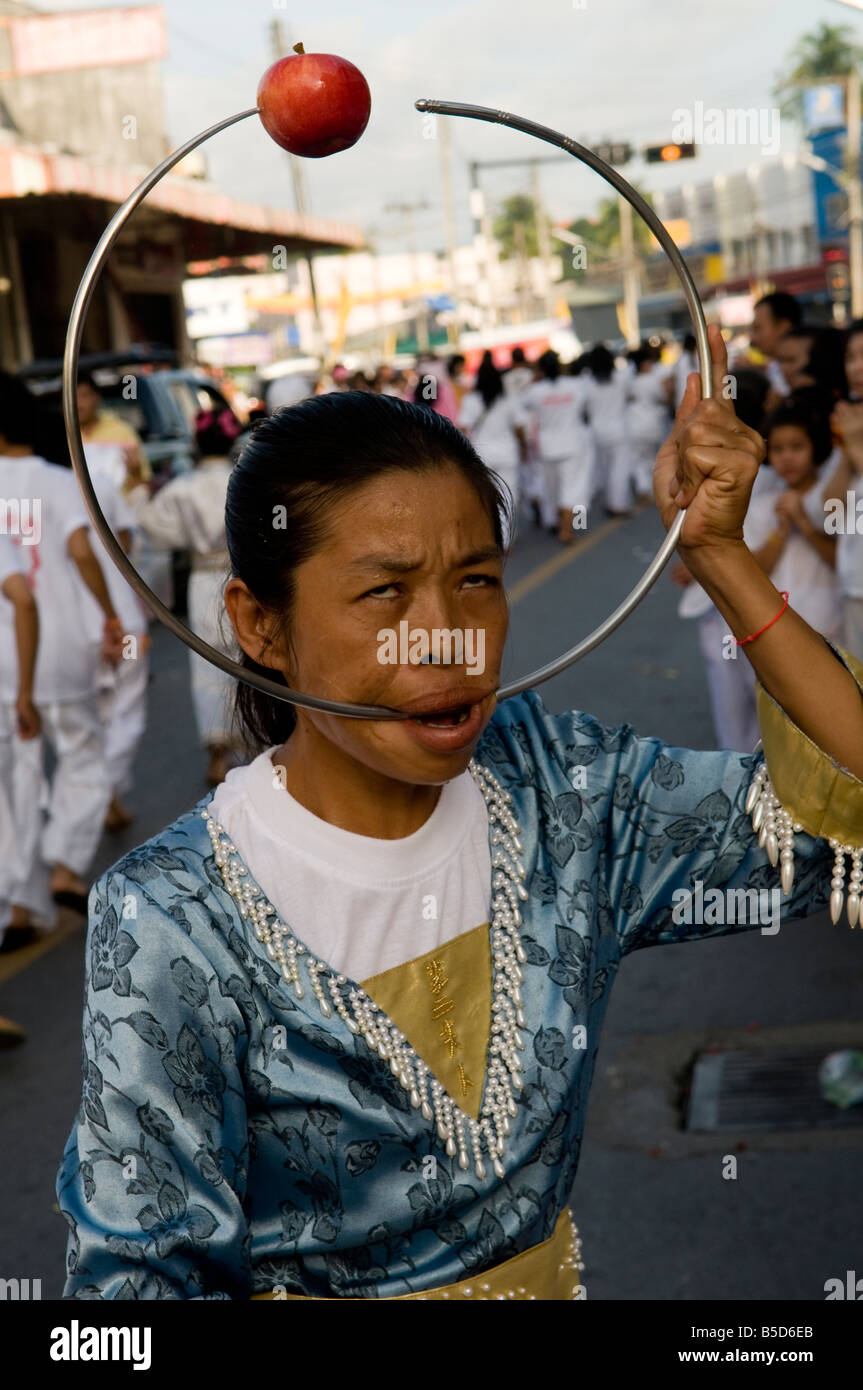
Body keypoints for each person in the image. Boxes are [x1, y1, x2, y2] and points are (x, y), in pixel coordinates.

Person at [56, 329, 863, 1301]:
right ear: (258, 623)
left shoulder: (562, 787)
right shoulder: (170, 918)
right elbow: (135, 1286)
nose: (447, 639)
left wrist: (722, 556)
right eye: (383, 592)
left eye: (476, 580)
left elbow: (835, 809)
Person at [0, 374, 121, 946]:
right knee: (83, 756)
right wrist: (109, 610)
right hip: (63, 643)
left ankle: (18, 908)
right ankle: (65, 866)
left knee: (18, 781)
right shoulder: (55, 481)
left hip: (6, 657)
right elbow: (79, 552)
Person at [677, 395, 840, 752]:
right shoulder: (765, 500)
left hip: (827, 622)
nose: (787, 458)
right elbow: (751, 567)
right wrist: (782, 531)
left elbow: (840, 562)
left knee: (824, 728)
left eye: (797, 446)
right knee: (776, 728)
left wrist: (805, 524)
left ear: (817, 446)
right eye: (778, 449)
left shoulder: (830, 499)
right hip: (781, 627)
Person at [126, 407, 241, 787]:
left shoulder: (183, 487)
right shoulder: (244, 481)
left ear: (195, 443)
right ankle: (254, 745)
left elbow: (151, 526)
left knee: (208, 668)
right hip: (243, 579)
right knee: (248, 661)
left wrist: (138, 486)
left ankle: (217, 752)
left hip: (203, 580)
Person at [514, 348, 594, 542]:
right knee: (571, 488)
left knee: (553, 489)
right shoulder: (576, 385)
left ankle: (559, 523)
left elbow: (522, 407)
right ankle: (567, 530)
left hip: (547, 447)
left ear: (541, 369)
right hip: (572, 444)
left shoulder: (535, 391)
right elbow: (585, 409)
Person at [825, 320, 863, 660]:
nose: (856, 366)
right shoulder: (851, 420)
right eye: (851, 356)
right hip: (854, 583)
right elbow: (830, 511)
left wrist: (853, 444)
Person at [458, 351, 524, 546]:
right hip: (507, 452)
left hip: (482, 455)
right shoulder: (508, 399)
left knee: (488, 498)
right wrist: (524, 447)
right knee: (510, 495)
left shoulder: (471, 400)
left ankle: (492, 536)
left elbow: (463, 427)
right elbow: (519, 426)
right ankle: (505, 540)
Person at [76, 373, 150, 495]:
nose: (78, 404)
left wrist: (136, 473)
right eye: (73, 397)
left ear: (96, 397)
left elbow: (142, 483)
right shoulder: (58, 437)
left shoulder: (122, 432)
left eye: (84, 396)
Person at [581, 344, 632, 515]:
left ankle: (607, 501)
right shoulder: (621, 377)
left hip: (596, 432)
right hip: (619, 430)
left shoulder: (586, 381)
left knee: (603, 471)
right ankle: (618, 504)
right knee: (619, 469)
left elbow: (583, 409)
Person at [626, 344, 672, 500]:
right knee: (654, 459)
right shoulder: (653, 380)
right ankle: (654, 490)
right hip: (652, 424)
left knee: (639, 459)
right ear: (644, 364)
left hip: (634, 425)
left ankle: (642, 487)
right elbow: (664, 398)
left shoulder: (630, 381)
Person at [750, 290, 802, 406]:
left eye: (757, 329)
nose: (753, 339)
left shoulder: (803, 373)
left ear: (783, 327)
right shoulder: (772, 368)